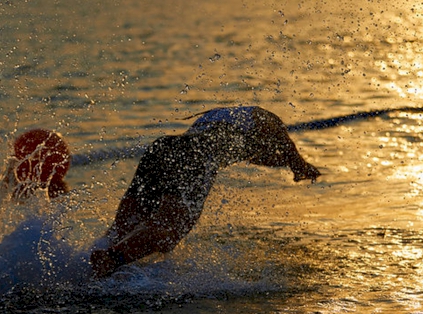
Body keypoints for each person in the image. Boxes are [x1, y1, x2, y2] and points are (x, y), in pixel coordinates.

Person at [90, 106, 321, 278]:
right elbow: (281, 138)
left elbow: (261, 157)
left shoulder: (226, 121)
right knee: (170, 230)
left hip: (163, 149)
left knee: (125, 225)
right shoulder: (267, 119)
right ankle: (112, 259)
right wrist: (301, 165)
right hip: (194, 159)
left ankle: (91, 259)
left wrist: (289, 165)